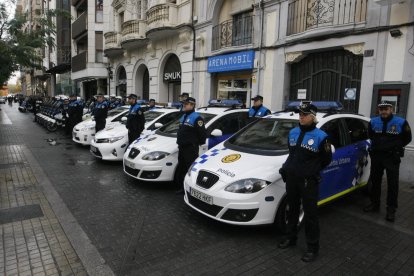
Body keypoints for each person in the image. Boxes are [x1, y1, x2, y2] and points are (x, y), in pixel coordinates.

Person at [278, 101, 332, 262]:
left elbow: (326, 159)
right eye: (300, 114)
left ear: (313, 117)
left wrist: (310, 170)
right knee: (293, 210)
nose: (301, 117)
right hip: (292, 178)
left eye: (305, 114)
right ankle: (291, 237)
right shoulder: (293, 132)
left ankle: (312, 248)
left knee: (310, 215)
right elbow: (292, 154)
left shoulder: (321, 137)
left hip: (309, 181)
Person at [363, 101, 412, 222]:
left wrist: (395, 147)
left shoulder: (401, 122)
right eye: (381, 109)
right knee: (375, 181)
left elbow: (407, 138)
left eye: (386, 109)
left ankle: (391, 210)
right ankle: (375, 204)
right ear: (379, 110)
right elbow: (371, 135)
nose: (384, 111)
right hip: (377, 156)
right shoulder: (373, 122)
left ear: (392, 109)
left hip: (392, 157)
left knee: (393, 184)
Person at [175, 97, 207, 194]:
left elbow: (202, 135)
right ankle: (182, 188)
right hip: (182, 147)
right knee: (182, 168)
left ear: (192, 105)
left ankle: (190, 190)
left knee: (190, 169)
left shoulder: (197, 118)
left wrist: (195, 143)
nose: (184, 105)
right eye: (184, 104)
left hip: (190, 149)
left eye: (186, 104)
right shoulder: (184, 116)